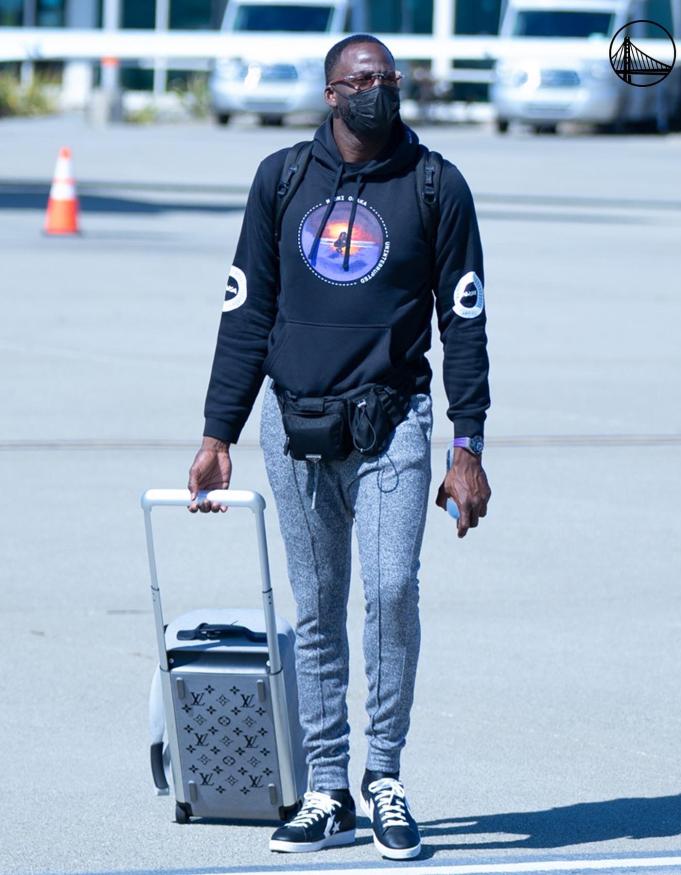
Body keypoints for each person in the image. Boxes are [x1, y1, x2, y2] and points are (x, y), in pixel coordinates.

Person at [187, 33, 491, 860]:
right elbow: (245, 310)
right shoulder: (283, 178)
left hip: (394, 423)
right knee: (317, 607)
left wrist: (468, 444)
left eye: (388, 77)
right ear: (331, 93)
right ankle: (328, 788)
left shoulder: (435, 184)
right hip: (295, 426)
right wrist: (218, 431)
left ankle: (383, 774)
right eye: (361, 79)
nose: (377, 89)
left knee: (390, 591)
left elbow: (464, 321)